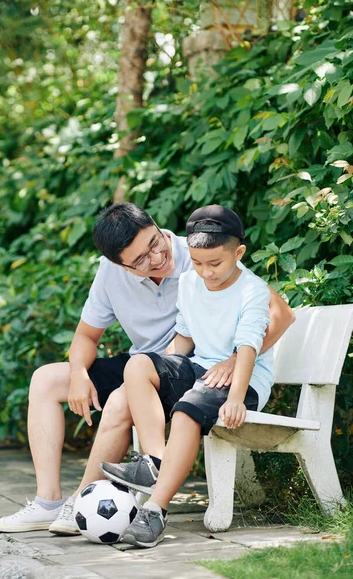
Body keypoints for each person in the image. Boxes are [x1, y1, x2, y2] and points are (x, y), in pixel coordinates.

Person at [0, 203, 294, 535]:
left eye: (154, 243)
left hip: (185, 367)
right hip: (150, 362)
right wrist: (78, 373)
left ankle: (81, 502)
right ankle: (47, 501)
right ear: (120, 265)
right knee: (46, 380)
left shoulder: (201, 253)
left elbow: (278, 315)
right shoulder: (112, 273)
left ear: (155, 223)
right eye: (141, 260)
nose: (157, 258)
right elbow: (86, 336)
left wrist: (234, 360)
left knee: (123, 397)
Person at [101, 205, 275, 548]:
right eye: (197, 263)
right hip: (200, 369)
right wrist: (155, 373)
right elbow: (183, 338)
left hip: (244, 380)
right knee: (137, 365)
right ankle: (153, 462)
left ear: (238, 253)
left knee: (186, 409)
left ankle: (155, 511)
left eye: (215, 264)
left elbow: (250, 347)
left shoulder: (252, 291)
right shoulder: (191, 282)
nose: (206, 273)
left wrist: (237, 397)